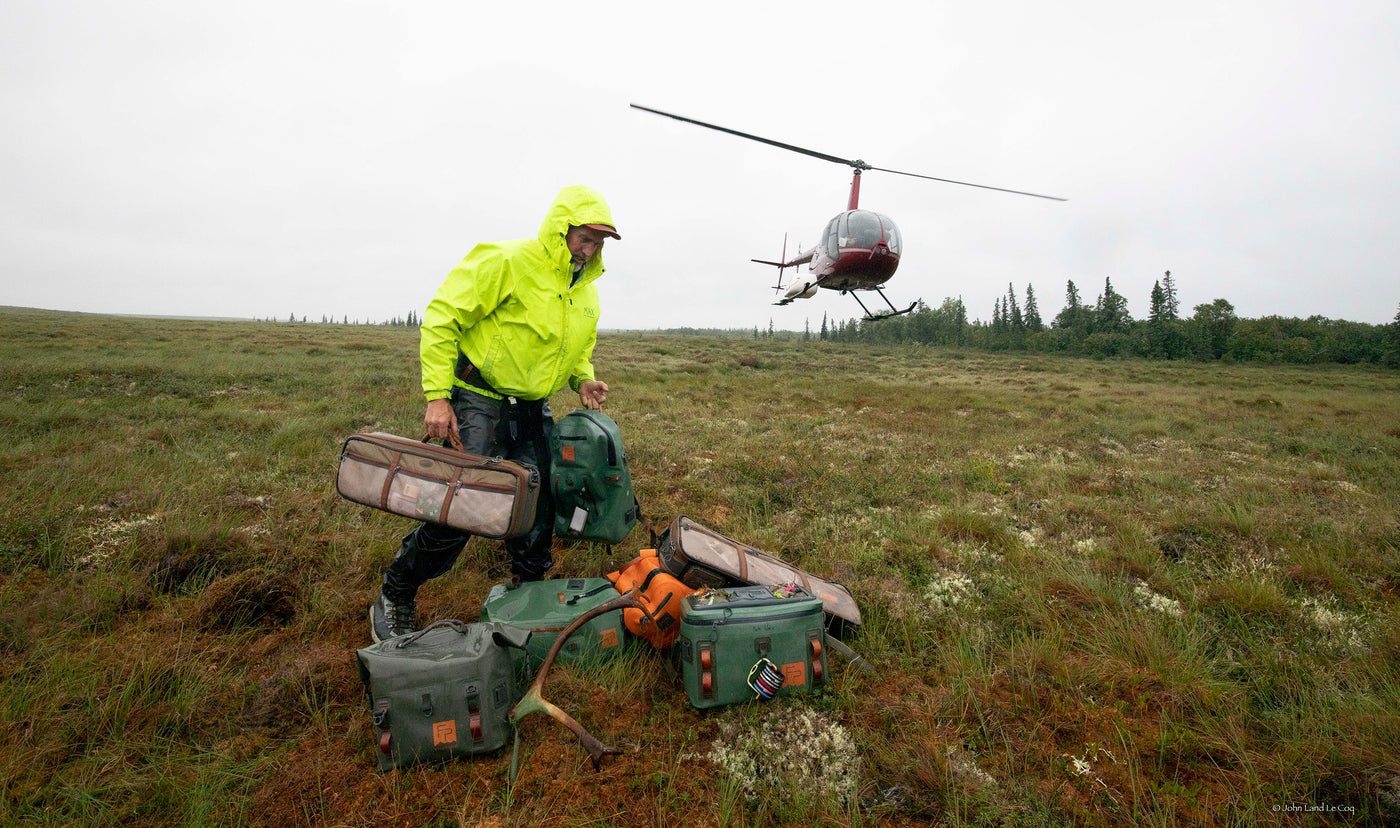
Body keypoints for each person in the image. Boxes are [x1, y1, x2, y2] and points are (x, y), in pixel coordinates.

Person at [370, 184, 620, 642]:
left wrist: (582, 378)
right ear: (560, 229)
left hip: (531, 409)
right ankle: (397, 591)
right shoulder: (507, 261)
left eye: (598, 243)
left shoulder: (586, 292)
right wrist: (436, 396)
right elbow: (444, 315)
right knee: (463, 506)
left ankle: (529, 598)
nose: (590, 250)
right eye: (584, 238)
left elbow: (577, 348)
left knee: (539, 504)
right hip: (476, 399)